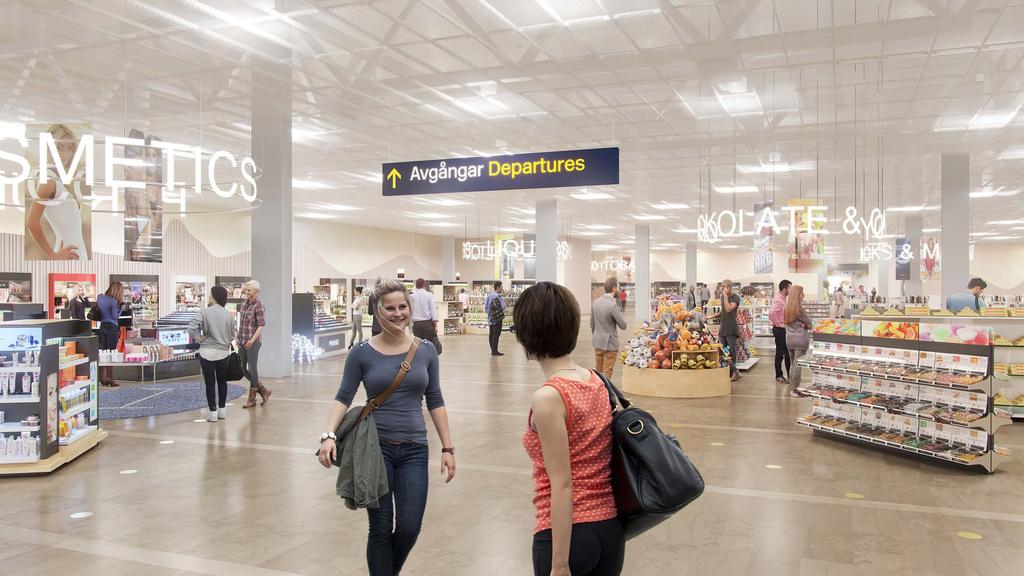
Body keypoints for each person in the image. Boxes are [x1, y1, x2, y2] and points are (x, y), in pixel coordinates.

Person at [317, 279, 455, 576]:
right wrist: (328, 435)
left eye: (402, 306)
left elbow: (435, 399)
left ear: (410, 308)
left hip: (415, 449)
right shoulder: (361, 353)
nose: (397, 313)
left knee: (409, 525)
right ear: (377, 311)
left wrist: (447, 448)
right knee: (380, 528)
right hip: (374, 449)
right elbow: (343, 396)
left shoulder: (426, 350)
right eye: (389, 308)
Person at [513, 282, 624, 576]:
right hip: (609, 529)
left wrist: (559, 563)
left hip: (568, 535)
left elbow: (562, 484)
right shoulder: (596, 380)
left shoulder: (549, 396)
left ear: (526, 335)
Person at [26, 124, 90, 261]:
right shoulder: (48, 180)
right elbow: (31, 223)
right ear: (50, 148)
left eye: (69, 148)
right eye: (60, 148)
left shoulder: (61, 181)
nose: (65, 154)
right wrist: (53, 255)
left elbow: (65, 228)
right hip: (71, 258)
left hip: (75, 256)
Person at [188, 286, 236, 422]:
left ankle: (212, 413)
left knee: (210, 383)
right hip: (223, 352)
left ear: (214, 296)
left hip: (206, 352)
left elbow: (191, 328)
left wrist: (199, 338)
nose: (209, 296)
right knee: (222, 382)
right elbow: (233, 334)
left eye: (210, 294)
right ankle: (222, 411)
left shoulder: (204, 312)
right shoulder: (228, 314)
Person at [238, 280, 270, 409]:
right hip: (242, 340)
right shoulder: (243, 304)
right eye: (245, 290)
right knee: (242, 368)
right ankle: (263, 390)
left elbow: (261, 325)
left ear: (256, 291)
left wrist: (252, 340)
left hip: (254, 342)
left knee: (252, 369)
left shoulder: (259, 305)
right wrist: (238, 338)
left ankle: (251, 399)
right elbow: (242, 323)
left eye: (249, 290)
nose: (246, 292)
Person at [591, 277, 627, 379]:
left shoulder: (595, 303)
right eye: (618, 287)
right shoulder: (613, 305)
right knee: (607, 373)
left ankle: (598, 393)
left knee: (598, 373)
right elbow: (623, 325)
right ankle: (606, 394)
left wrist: (596, 335)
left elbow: (592, 324)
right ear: (614, 288)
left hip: (597, 342)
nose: (619, 290)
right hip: (610, 344)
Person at [709, 279, 742, 381]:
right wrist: (713, 316)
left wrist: (725, 296)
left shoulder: (735, 297)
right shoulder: (723, 296)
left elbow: (728, 309)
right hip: (723, 327)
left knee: (731, 352)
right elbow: (723, 311)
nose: (722, 289)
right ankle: (733, 371)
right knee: (722, 350)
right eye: (722, 287)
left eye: (724, 287)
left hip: (731, 328)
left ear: (729, 287)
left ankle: (734, 372)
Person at [784, 285, 812, 398]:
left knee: (792, 365)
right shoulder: (799, 309)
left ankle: (792, 388)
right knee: (797, 365)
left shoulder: (786, 307)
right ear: (797, 295)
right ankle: (795, 390)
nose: (803, 295)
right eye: (802, 293)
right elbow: (810, 324)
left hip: (789, 339)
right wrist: (805, 325)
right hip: (800, 340)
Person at [97, 281, 123, 387]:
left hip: (102, 326)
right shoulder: (113, 301)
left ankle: (101, 377)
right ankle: (110, 378)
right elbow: (115, 317)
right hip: (112, 327)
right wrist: (121, 309)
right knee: (111, 353)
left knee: (103, 352)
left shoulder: (100, 297)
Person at [410, 278, 441, 353]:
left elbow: (410, 311)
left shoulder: (412, 296)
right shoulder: (429, 295)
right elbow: (433, 311)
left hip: (416, 324)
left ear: (416, 285)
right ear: (424, 285)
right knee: (429, 345)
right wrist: (435, 326)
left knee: (418, 346)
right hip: (427, 324)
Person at [769, 280, 792, 383]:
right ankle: (779, 375)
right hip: (780, 330)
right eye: (789, 288)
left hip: (782, 329)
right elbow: (771, 313)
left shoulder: (782, 298)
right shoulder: (779, 300)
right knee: (782, 353)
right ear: (784, 289)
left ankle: (785, 376)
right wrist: (779, 324)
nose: (790, 290)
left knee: (785, 353)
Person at [486, 281, 506, 356]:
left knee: (491, 333)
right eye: (501, 287)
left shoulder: (489, 296)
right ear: (497, 287)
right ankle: (494, 351)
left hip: (490, 318)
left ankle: (492, 349)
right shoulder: (499, 296)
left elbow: (486, 307)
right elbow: (503, 307)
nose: (502, 288)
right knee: (497, 334)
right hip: (497, 318)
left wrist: (489, 314)